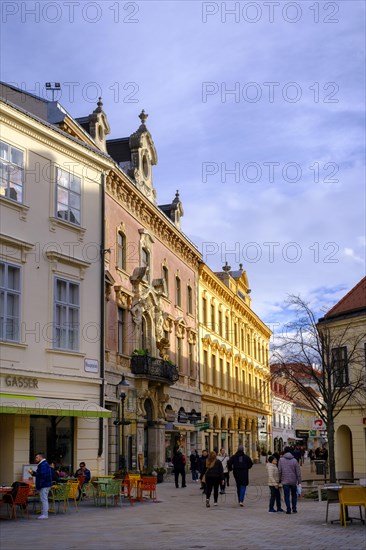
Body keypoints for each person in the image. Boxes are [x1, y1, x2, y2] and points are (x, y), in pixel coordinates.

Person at [278, 446, 302, 514]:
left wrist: (279, 479)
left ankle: (288, 509)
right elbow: (298, 472)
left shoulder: (281, 460)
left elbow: (279, 471)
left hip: (285, 481)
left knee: (286, 495)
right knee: (294, 495)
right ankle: (294, 509)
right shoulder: (294, 460)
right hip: (293, 481)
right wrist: (299, 481)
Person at [30, 453, 53, 519]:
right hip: (45, 484)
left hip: (44, 485)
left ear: (41, 458)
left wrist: (34, 473)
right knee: (44, 499)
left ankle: (45, 514)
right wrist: (33, 473)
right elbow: (41, 474)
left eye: (37, 457)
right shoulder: (44, 464)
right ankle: (44, 513)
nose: (35, 459)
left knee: (44, 499)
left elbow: (42, 475)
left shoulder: (43, 464)